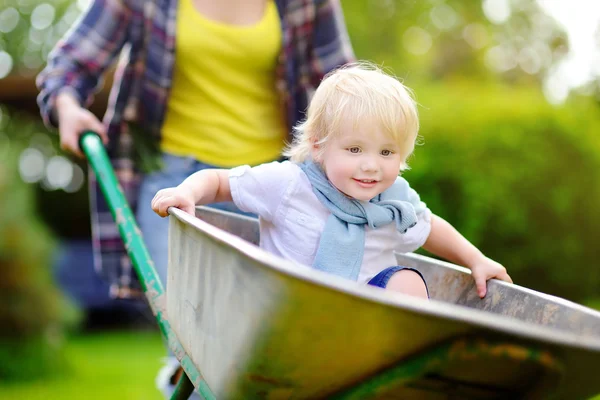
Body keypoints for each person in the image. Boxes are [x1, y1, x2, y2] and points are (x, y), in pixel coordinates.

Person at [36, 0, 354, 396]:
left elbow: (349, 90)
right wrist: (66, 107)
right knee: (196, 347)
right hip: (173, 188)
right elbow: (69, 68)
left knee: (258, 350)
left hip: (272, 189)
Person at [152, 63, 513, 303]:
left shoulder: (394, 200)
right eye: (355, 149)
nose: (371, 166)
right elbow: (218, 181)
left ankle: (387, 361)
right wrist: (187, 192)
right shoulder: (290, 185)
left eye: (387, 152)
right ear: (319, 147)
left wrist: (475, 259)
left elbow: (430, 226)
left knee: (409, 282)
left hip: (363, 321)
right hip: (284, 310)